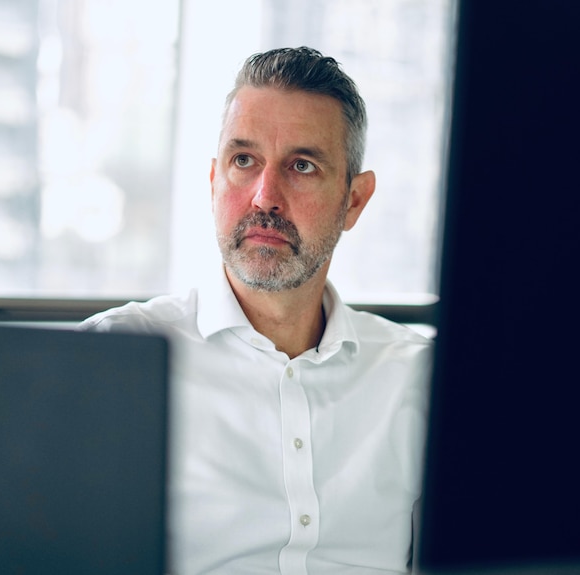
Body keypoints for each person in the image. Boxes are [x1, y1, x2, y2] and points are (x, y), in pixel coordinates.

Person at [80, 46, 431, 574]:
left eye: (302, 166)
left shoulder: (419, 376)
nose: (265, 196)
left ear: (354, 200)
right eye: (243, 160)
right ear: (214, 178)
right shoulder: (111, 357)